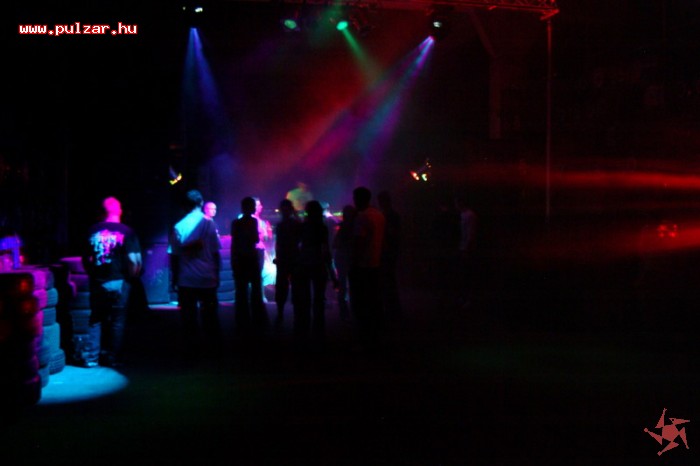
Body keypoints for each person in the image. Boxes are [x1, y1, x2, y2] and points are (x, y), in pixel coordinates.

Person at [80, 196, 142, 368]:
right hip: (119, 281)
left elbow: (86, 258)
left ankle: (91, 358)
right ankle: (113, 358)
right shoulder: (127, 231)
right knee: (117, 320)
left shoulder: (92, 230)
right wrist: (132, 277)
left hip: (98, 281)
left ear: (102, 212)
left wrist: (92, 274)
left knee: (96, 318)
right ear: (119, 210)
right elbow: (134, 260)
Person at [169, 189, 223, 357]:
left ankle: (192, 352)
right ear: (201, 203)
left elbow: (174, 256)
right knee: (210, 317)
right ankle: (213, 351)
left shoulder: (178, 226)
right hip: (207, 277)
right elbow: (215, 252)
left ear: (185, 205)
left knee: (189, 318)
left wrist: (174, 279)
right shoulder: (209, 223)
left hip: (186, 279)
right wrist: (217, 274)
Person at [295, 200, 338, 344]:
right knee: (319, 299)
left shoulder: (303, 227)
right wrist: (332, 273)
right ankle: (318, 332)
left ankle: (305, 332)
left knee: (305, 299)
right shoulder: (321, 228)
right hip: (318, 264)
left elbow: (297, 247)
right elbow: (325, 250)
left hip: (304, 264)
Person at [349, 187, 386, 351]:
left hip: (362, 266)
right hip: (376, 263)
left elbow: (359, 242)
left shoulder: (362, 217)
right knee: (374, 302)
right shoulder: (379, 215)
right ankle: (376, 337)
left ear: (359, 199)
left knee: (361, 304)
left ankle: (364, 339)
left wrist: (353, 263)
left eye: (354, 198)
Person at [231, 196, 266, 333]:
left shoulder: (236, 223)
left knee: (241, 291)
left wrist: (233, 261)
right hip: (251, 258)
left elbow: (234, 243)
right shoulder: (253, 221)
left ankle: (242, 321)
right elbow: (255, 239)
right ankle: (258, 320)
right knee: (255, 290)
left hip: (240, 258)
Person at [273, 199, 301, 321]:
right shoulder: (296, 224)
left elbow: (278, 244)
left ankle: (280, 314)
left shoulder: (281, 225)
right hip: (293, 258)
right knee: (295, 287)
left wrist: (277, 257)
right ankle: (296, 315)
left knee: (282, 287)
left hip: (284, 259)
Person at [377, 190, 402, 318]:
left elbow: (394, 233)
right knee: (388, 279)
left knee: (388, 280)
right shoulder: (391, 215)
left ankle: (392, 309)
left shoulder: (389, 216)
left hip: (388, 251)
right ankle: (392, 308)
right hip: (389, 250)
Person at [332, 204, 356, 322]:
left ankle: (344, 311)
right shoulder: (354, 227)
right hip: (349, 257)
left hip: (342, 257)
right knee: (350, 283)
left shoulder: (342, 227)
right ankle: (351, 311)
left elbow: (335, 244)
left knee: (343, 283)